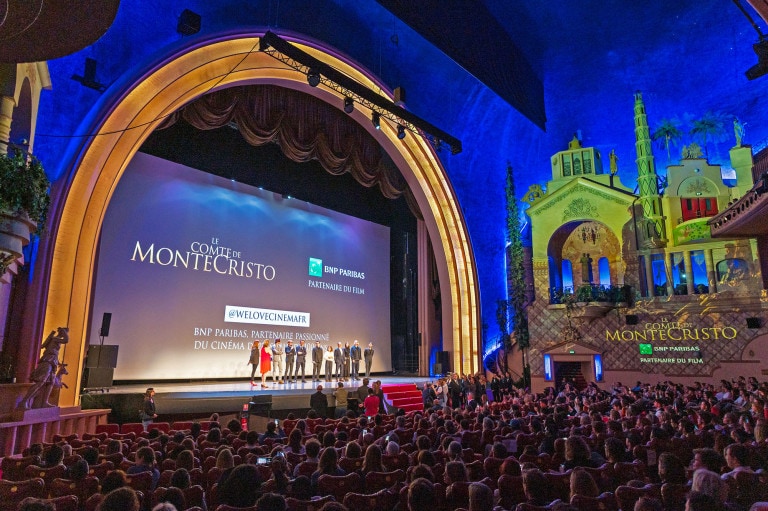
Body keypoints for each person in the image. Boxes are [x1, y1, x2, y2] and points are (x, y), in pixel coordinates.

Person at [20, 327, 69, 409]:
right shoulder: (55, 339)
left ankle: (45, 402)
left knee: (51, 382)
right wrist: (64, 332)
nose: (65, 334)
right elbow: (66, 340)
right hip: (47, 362)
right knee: (41, 382)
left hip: (53, 362)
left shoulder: (56, 340)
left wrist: (59, 363)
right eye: (65, 332)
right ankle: (24, 401)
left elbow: (54, 352)